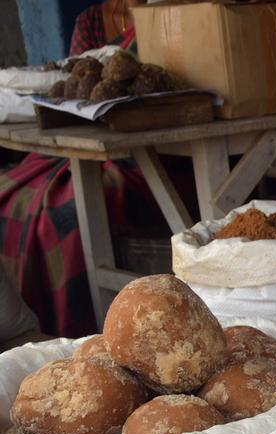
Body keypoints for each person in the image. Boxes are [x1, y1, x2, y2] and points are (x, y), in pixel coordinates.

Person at [0, 0, 193, 337]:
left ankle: (82, 330)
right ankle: (50, 336)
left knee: (59, 218)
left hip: (156, 150)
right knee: (11, 193)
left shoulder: (177, 15)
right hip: (89, 141)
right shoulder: (90, 22)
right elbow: (80, 81)